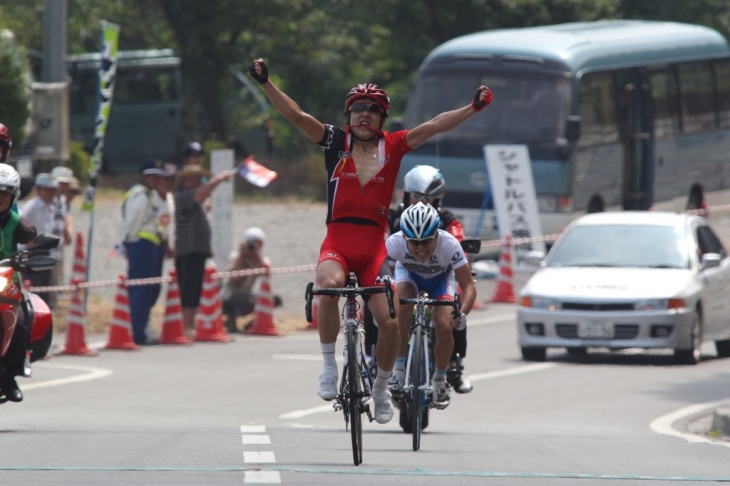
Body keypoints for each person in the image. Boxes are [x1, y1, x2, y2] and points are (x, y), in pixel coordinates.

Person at [249, 58, 493, 424]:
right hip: (338, 240)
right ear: (349, 116)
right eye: (358, 109)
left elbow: (434, 125)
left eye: (373, 110)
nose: (365, 115)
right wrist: (266, 83)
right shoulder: (335, 140)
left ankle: (380, 389)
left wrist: (472, 108)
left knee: (389, 320)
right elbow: (297, 116)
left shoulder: (393, 146)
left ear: (382, 117)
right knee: (327, 287)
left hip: (374, 246)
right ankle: (329, 367)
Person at [388, 165, 474, 394]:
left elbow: (468, 285)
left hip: (440, 278)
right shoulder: (394, 226)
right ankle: (395, 367)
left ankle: (443, 376)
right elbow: (381, 270)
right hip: (409, 276)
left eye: (426, 242)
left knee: (447, 324)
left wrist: (461, 314)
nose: (421, 250)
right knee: (400, 303)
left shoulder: (448, 238)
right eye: (413, 243)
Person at [175, 164, 235, 336]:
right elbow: (201, 193)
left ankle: (190, 324)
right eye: (192, 179)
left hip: (198, 250)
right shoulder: (183, 196)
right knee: (189, 289)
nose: (196, 182)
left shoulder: (197, 201)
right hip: (188, 250)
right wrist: (219, 179)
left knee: (196, 288)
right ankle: (187, 326)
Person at [0, 164, 39, 402]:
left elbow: (33, 239)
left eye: (3, 195)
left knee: (22, 320)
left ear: (12, 197)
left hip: (5, 282)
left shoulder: (18, 224)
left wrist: (30, 255)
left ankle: (9, 376)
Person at [121, 160, 165, 345]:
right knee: (140, 289)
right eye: (151, 176)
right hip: (141, 245)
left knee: (145, 289)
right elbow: (133, 221)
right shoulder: (140, 195)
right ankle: (138, 332)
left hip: (147, 246)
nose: (155, 179)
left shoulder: (147, 194)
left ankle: (140, 328)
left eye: (157, 176)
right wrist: (126, 241)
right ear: (144, 177)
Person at [221, 227, 282, 333]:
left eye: (259, 243)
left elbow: (266, 278)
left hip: (246, 297)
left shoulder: (263, 260)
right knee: (236, 299)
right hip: (230, 297)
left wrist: (256, 257)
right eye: (253, 243)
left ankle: (253, 323)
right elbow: (234, 278)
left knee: (274, 299)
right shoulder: (235, 257)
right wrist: (241, 255)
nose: (255, 246)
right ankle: (230, 322)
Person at [19, 173, 59, 309]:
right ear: (38, 190)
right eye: (47, 190)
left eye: (52, 190)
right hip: (32, 252)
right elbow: (19, 218)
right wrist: (27, 238)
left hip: (44, 250)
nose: (50, 193)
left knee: (45, 287)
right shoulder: (33, 205)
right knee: (33, 287)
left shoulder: (50, 206)